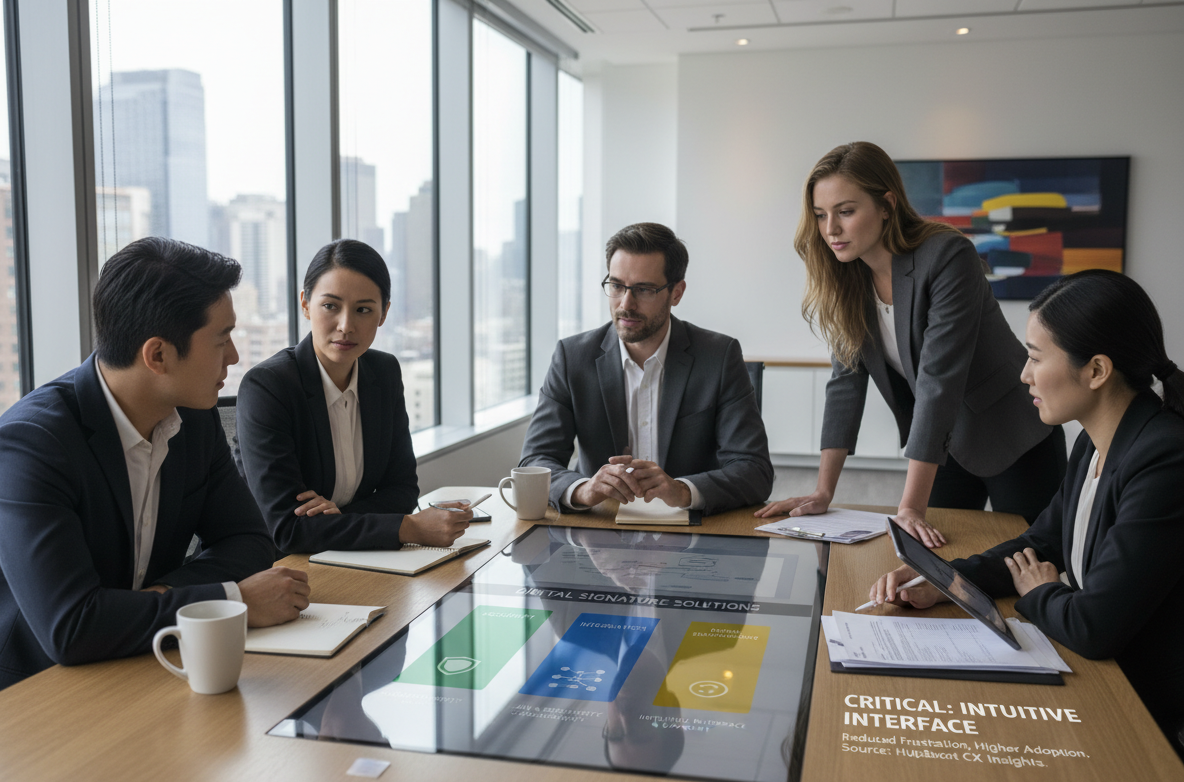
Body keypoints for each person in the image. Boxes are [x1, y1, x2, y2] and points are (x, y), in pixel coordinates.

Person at [870, 270, 1184, 758]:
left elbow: (1094, 626)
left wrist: (1038, 591)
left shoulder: (1164, 458)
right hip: (1099, 679)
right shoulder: (1095, 440)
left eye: (1036, 358)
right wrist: (947, 580)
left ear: (1096, 370)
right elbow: (1041, 543)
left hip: (1141, 712)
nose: (1023, 374)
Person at [0, 238, 309, 690]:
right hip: (39, 691)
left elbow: (250, 541)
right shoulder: (33, 444)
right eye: (222, 339)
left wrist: (150, 602)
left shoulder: (194, 418)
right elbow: (71, 628)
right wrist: (230, 598)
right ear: (158, 355)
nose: (235, 357)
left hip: (146, 659)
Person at [757, 142, 1064, 547]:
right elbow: (845, 383)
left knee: (1031, 554)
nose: (830, 228)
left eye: (846, 211)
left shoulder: (948, 255)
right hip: (944, 440)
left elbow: (940, 380)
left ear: (887, 205)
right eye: (820, 215)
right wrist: (823, 490)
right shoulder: (848, 278)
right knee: (932, 554)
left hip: (1011, 432)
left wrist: (910, 506)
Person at [520, 222, 773, 515]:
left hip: (692, 536)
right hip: (599, 529)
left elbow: (755, 470)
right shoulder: (572, 357)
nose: (626, 304)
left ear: (676, 293)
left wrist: (681, 490)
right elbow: (535, 460)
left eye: (644, 289)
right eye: (616, 286)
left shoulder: (718, 356)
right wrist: (584, 489)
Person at [237, 239, 470, 555]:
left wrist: (334, 520)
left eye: (363, 310)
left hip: (357, 555)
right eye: (330, 306)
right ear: (305, 304)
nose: (346, 326)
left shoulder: (383, 372)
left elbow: (402, 490)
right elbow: (288, 530)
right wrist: (407, 528)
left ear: (383, 313)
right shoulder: (269, 386)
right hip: (278, 567)